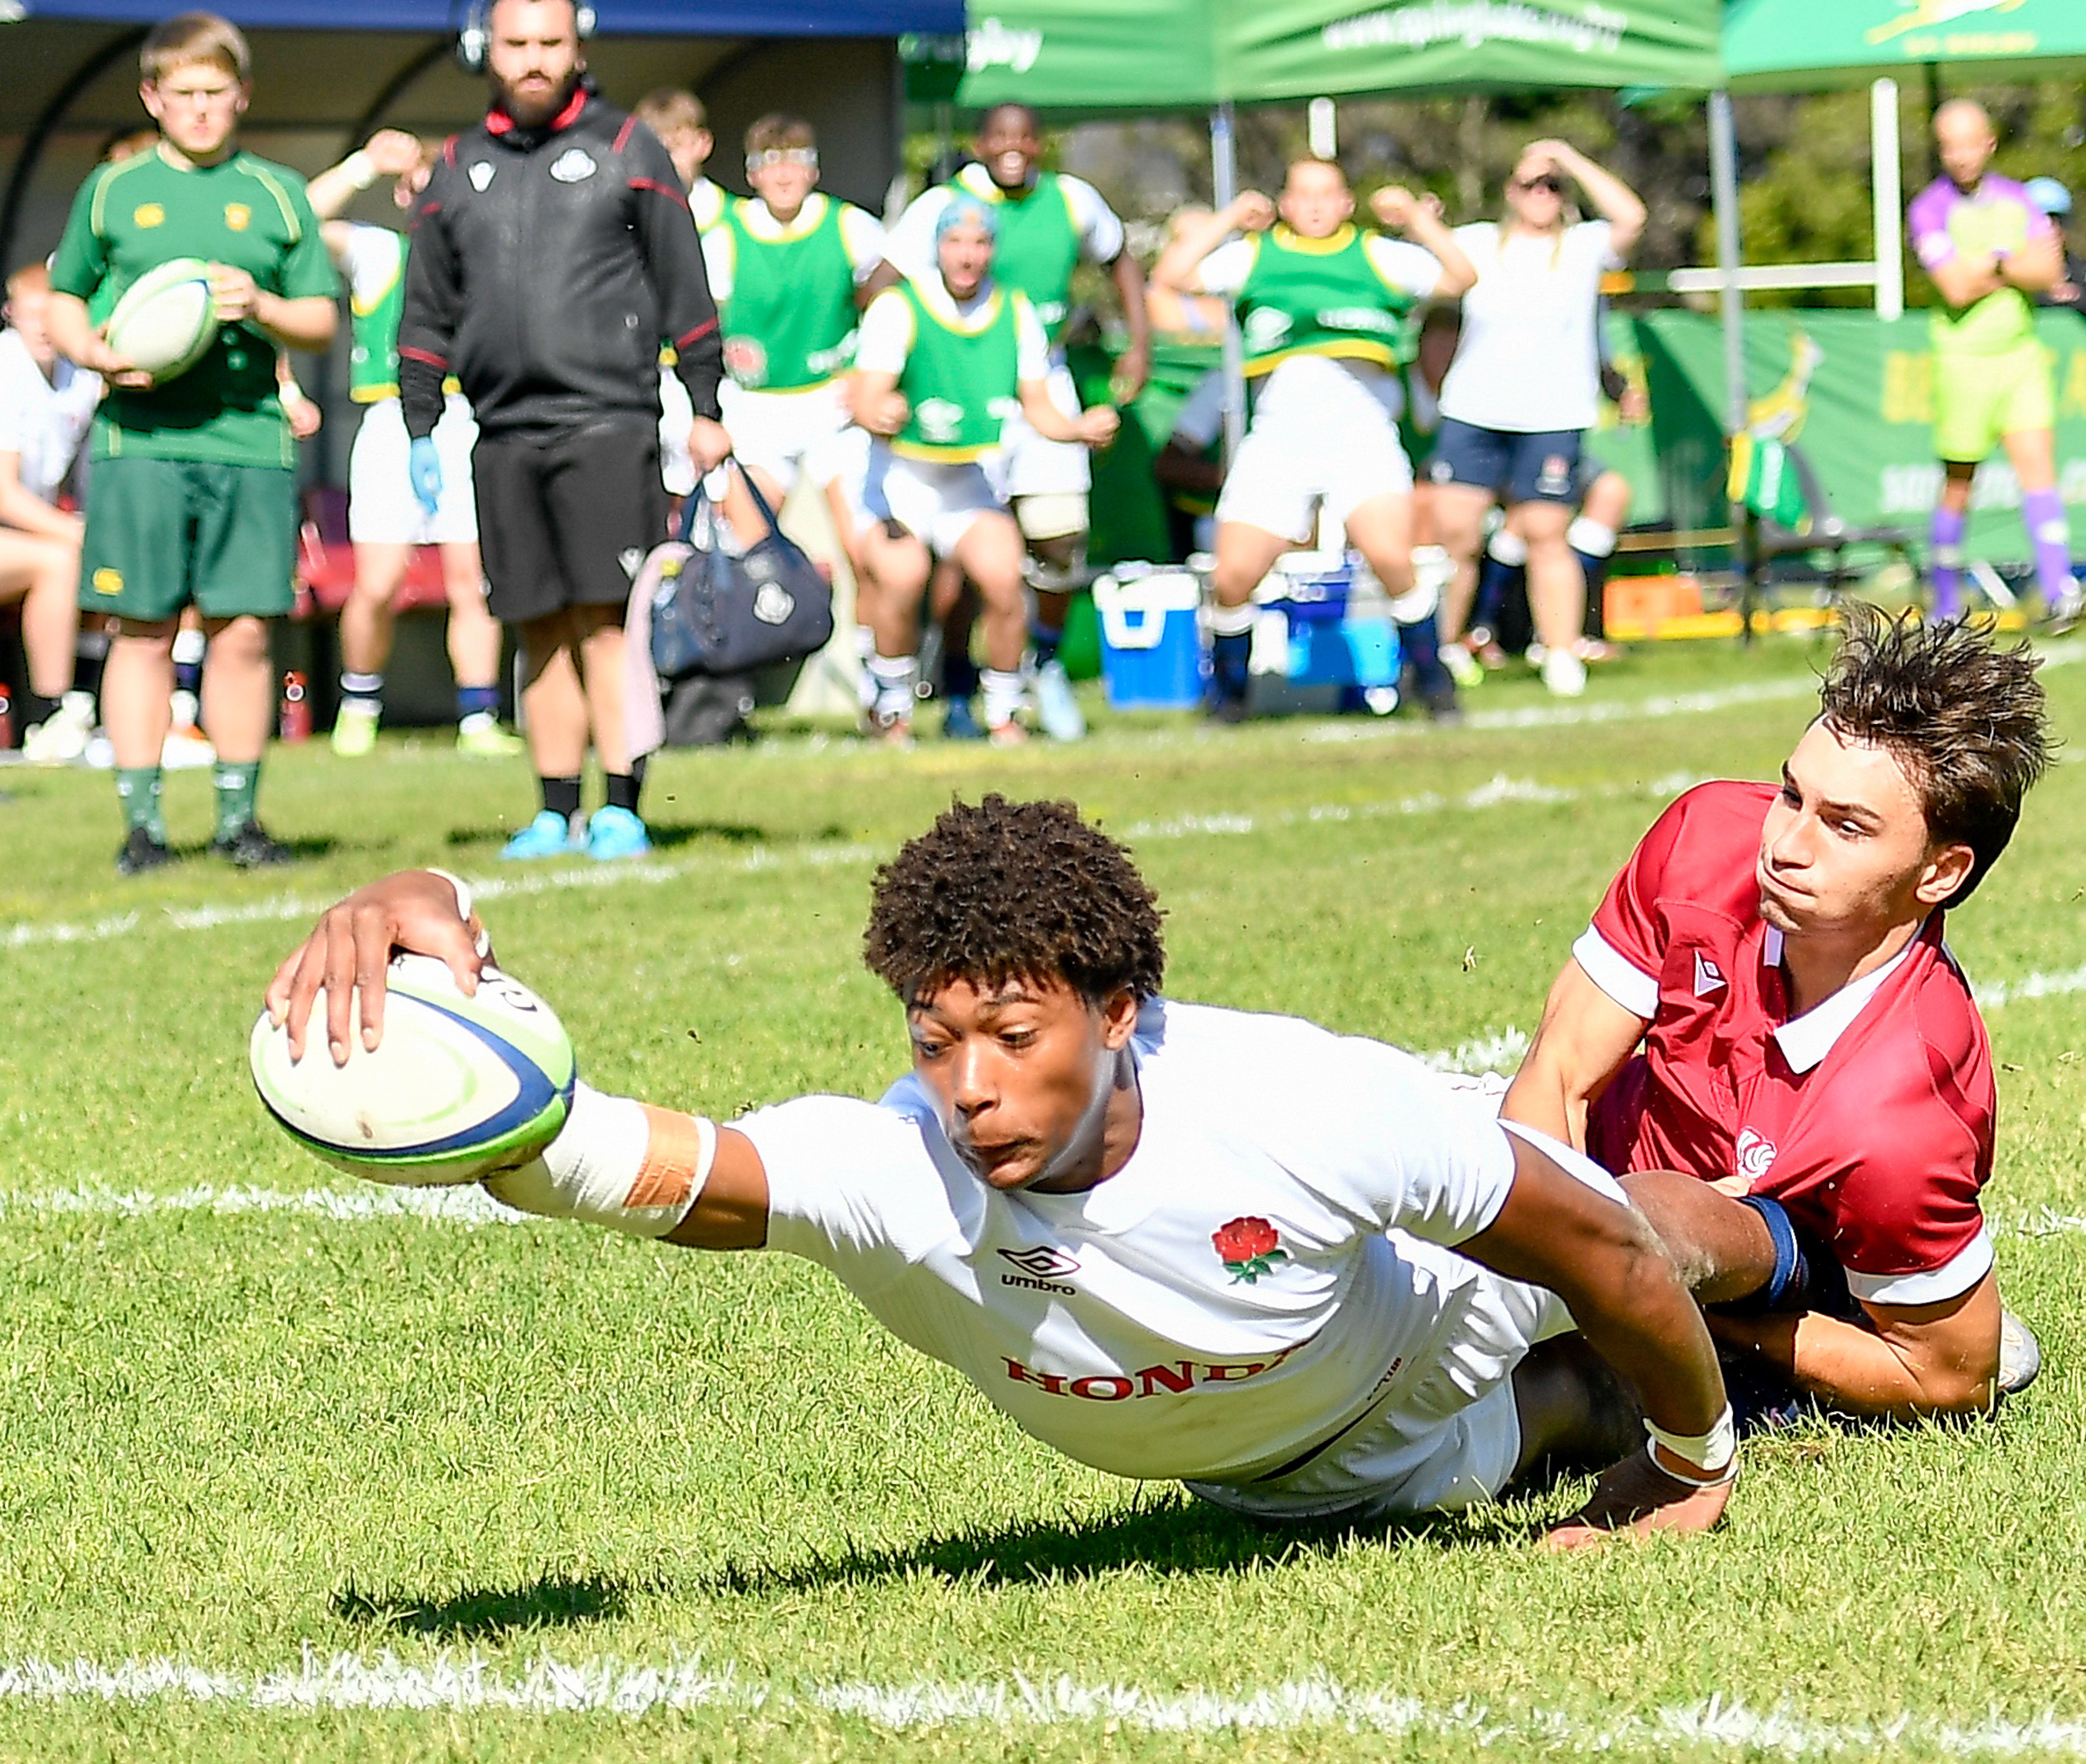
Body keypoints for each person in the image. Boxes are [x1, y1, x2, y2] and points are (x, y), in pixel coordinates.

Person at [269, 794, 1740, 1548]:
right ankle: (1686, 1384)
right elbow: (575, 1154)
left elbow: (1596, 1248)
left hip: (1410, 1317)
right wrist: (425, 912)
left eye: (1014, 1035)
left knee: (1646, 1235)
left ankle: (1811, 1260)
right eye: (932, 1038)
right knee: (1571, 1409)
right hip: (1292, 1481)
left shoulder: (1300, 1100)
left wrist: (1692, 1470)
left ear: (1117, 1017)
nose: (968, 1087)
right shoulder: (884, 1168)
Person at [1503, 609, 2048, 1424]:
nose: (1783, 843)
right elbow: (1558, 1071)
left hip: (1765, 1271)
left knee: (1535, 1396)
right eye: (1791, 792)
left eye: (1844, 826)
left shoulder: (1898, 1111)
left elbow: (1948, 1380)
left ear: (1938, 873)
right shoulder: (1705, 837)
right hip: (1594, 1189)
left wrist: (1672, 1307)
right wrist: (1537, 1268)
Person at [399, 0, 729, 863]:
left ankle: (620, 805)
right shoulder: (455, 164)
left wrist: (707, 407)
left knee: (604, 621)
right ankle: (553, 811)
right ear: (486, 50)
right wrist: (419, 423)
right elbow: (427, 307)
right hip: (502, 430)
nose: (535, 59)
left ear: (578, 46)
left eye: (551, 43)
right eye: (518, 45)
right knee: (536, 622)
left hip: (609, 422)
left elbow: (683, 285)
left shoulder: (629, 149)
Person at [44, 11, 340, 874]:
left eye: (217, 94)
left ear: (242, 95)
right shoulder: (112, 189)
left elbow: (321, 318)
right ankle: (142, 827)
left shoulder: (280, 192)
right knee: (139, 629)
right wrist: (97, 351)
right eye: (185, 95)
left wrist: (267, 307)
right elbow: (66, 297)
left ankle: (239, 822)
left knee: (244, 632)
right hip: (138, 442)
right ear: (153, 96)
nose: (203, 110)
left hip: (249, 441)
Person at [1153, 161, 1476, 723]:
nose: (1316, 206)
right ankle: (1229, 695)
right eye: (1303, 195)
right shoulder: (1258, 254)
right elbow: (1175, 275)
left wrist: (1417, 220)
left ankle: (1433, 682)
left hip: (1360, 436)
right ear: (1284, 203)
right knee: (1233, 576)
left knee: (1391, 558)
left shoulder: (1374, 254)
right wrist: (1228, 217)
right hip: (1280, 439)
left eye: (1327, 194)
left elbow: (1460, 276)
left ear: (1347, 202)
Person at [878, 105, 1152, 741]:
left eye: (1024, 137)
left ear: (1039, 145)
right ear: (979, 145)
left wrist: (1138, 344)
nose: (1012, 149)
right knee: (962, 554)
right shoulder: (942, 205)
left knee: (1057, 534)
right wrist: (896, 363)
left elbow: (1120, 260)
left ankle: (1045, 661)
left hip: (1036, 375)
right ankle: (954, 685)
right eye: (998, 137)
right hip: (960, 382)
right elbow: (879, 283)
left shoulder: (1072, 200)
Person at [849, 197, 1117, 747]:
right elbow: (865, 396)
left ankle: (1003, 712)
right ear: (937, 249)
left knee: (1003, 579)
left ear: (992, 250)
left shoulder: (1015, 311)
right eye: (955, 243)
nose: (967, 256)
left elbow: (1037, 404)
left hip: (965, 478)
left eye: (979, 244)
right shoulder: (898, 307)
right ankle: (891, 707)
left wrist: (1078, 428)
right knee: (902, 578)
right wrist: (881, 412)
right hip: (901, 477)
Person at [302, 129, 521, 761]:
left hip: (464, 419)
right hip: (391, 420)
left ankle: (478, 715)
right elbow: (298, 221)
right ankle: (359, 703)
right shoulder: (378, 253)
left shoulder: (488, 256)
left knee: (470, 578)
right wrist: (363, 164)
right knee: (378, 580)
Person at [1428, 141, 1645, 699]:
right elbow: (1432, 264)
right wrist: (1417, 219)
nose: (1542, 195)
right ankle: (1443, 650)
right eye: (1531, 184)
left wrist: (1566, 157)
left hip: (1552, 413)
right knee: (1457, 536)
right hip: (1474, 410)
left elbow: (1630, 215)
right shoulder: (1477, 241)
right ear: (1509, 192)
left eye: (1553, 187)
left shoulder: (1582, 246)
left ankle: (1560, 649)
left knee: (1548, 534)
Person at [1910, 102, 2074, 624]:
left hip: (2018, 355)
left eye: (1968, 143)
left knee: (2039, 471)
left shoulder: (2017, 198)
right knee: (1959, 481)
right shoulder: (1929, 209)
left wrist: (1989, 262)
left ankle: (2058, 590)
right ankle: (1944, 601)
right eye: (1948, 145)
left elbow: (2049, 269)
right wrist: (2011, 263)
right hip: (1963, 360)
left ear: (1989, 144)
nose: (1960, 156)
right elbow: (1954, 287)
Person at [702, 114, 884, 537]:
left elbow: (892, 304)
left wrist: (869, 375)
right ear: (751, 173)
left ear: (814, 170)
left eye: (796, 160)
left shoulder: (851, 226)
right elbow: (699, 329)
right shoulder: (723, 237)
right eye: (770, 161)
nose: (783, 175)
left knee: (870, 548)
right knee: (749, 550)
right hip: (756, 407)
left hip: (833, 405)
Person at [0, 263, 99, 764]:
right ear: (9, 314)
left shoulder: (79, 376)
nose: (41, 327)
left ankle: (162, 709)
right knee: (60, 560)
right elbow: (5, 495)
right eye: (30, 315)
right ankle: (50, 714)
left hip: (25, 534)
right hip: (12, 531)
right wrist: (76, 533)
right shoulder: (5, 367)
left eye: (51, 315)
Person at [2023, 177, 2084, 313]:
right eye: (2042, 222)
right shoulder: (2005, 274)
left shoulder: (2081, 273)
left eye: (2058, 221)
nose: (2053, 230)